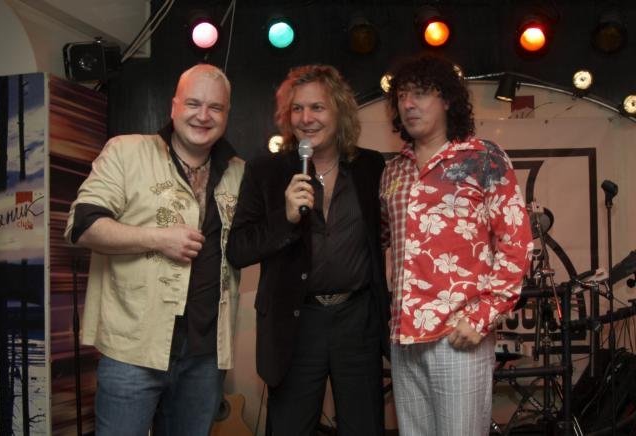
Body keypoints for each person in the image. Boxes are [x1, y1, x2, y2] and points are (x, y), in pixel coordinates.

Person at [64, 63, 244, 436]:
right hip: (132, 349)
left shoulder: (239, 172)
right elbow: (81, 226)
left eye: (215, 107)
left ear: (227, 114)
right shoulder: (126, 152)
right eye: (193, 103)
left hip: (205, 355)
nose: (203, 115)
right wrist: (158, 239)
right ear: (174, 106)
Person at [226, 65, 390, 436]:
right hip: (296, 322)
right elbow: (238, 249)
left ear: (340, 112)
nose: (306, 118)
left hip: (358, 320)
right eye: (297, 109)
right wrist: (284, 219)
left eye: (317, 107)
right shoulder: (266, 171)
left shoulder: (370, 166)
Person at [379, 53, 533, 436]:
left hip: (458, 334)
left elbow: (516, 242)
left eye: (420, 93)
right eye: (401, 96)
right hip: (404, 339)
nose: (408, 104)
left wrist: (481, 317)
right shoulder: (393, 171)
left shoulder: (482, 157)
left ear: (446, 99)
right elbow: (382, 242)